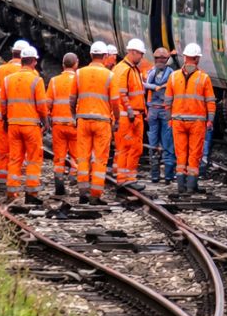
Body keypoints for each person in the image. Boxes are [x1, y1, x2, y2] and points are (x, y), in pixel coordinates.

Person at [165, 43, 215, 194]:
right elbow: (210, 101)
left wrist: (169, 118)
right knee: (194, 153)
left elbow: (167, 101)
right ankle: (191, 186)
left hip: (178, 121)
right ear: (197, 59)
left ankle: (181, 186)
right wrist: (210, 119)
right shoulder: (204, 78)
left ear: (185, 57)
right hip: (197, 122)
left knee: (181, 153)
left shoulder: (173, 77)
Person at [1, 46, 49, 204]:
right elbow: (42, 106)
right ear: (34, 61)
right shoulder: (37, 80)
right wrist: (46, 123)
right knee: (34, 158)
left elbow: (2, 104)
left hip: (13, 125)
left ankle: (11, 191)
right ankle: (31, 193)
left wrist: (5, 120)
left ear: (21, 61)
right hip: (31, 126)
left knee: (15, 158)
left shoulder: (8, 80)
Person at [71, 41, 115, 205]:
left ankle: (83, 191)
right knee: (100, 159)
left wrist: (74, 115)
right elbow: (115, 101)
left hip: (83, 119)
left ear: (90, 55)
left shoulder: (79, 73)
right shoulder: (109, 75)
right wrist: (115, 119)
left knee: (83, 156)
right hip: (102, 121)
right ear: (104, 56)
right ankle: (95, 195)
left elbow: (72, 99)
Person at [0, 40, 27, 195]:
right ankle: (14, 185)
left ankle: (3, 184)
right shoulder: (29, 73)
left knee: (3, 152)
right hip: (17, 117)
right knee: (16, 154)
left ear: (12, 52)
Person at [112, 38, 148, 189]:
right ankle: (124, 178)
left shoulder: (131, 69)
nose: (141, 57)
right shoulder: (125, 69)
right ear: (133, 52)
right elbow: (121, 93)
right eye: (140, 54)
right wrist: (130, 110)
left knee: (134, 148)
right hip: (128, 117)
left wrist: (143, 110)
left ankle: (129, 178)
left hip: (134, 115)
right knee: (126, 147)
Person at [47, 53, 79, 196]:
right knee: (76, 154)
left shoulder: (54, 81)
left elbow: (47, 104)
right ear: (76, 64)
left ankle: (59, 181)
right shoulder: (79, 81)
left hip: (58, 124)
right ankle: (73, 174)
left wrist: (47, 120)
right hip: (74, 124)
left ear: (63, 65)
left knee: (59, 156)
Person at [144, 47, 176, 183]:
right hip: (161, 111)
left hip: (157, 111)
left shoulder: (155, 72)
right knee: (165, 143)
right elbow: (146, 85)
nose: (160, 61)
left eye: (161, 58)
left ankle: (158, 175)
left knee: (158, 143)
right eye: (158, 58)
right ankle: (164, 176)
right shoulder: (170, 73)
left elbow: (146, 85)